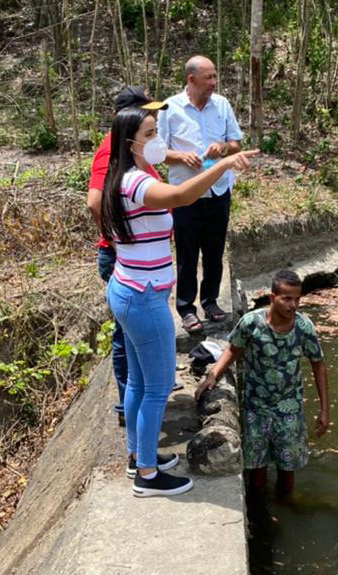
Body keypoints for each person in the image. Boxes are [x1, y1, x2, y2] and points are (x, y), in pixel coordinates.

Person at [101, 106, 258, 497]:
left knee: (138, 381)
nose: (158, 141)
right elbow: (182, 195)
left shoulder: (121, 177)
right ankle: (148, 476)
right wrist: (222, 166)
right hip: (144, 296)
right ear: (130, 142)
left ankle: (138, 456)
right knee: (156, 387)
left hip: (130, 287)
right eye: (151, 134)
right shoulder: (135, 182)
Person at [194, 269, 329, 498]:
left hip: (289, 408)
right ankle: (260, 512)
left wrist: (324, 410)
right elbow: (233, 350)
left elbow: (318, 364)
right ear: (272, 298)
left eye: (297, 299)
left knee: (288, 470)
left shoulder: (304, 327)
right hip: (256, 407)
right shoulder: (251, 323)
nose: (293, 305)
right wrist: (213, 374)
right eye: (287, 298)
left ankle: (285, 507)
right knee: (256, 468)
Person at [87, 85, 166, 427]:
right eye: (148, 117)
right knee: (125, 339)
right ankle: (127, 409)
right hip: (124, 261)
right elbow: (94, 202)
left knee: (133, 343)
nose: (154, 120)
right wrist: (122, 240)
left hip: (139, 263)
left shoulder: (136, 152)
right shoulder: (110, 152)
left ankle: (134, 408)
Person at [156, 55, 242, 333]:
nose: (214, 83)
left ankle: (210, 301)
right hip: (185, 196)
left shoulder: (222, 105)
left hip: (218, 191)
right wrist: (181, 156)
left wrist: (222, 148)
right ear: (191, 80)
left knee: (215, 251)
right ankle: (185, 307)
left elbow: (236, 144)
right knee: (187, 253)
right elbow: (157, 152)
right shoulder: (169, 108)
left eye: (215, 77)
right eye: (209, 78)